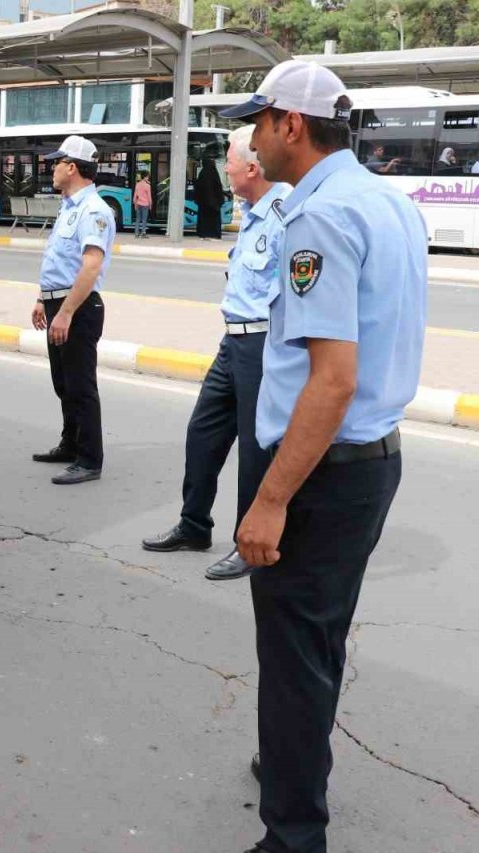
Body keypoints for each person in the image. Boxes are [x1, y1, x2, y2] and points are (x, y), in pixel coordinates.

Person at [219, 60, 427, 853]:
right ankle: (291, 761)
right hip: (372, 463)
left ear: (290, 126)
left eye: (260, 121)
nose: (253, 137)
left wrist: (269, 498)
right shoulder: (386, 201)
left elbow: (331, 379)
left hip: (321, 469)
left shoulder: (318, 217)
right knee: (318, 639)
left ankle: (293, 833)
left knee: (295, 649)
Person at [141, 124, 291, 581]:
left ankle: (250, 544)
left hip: (262, 345)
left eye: (228, 157)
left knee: (254, 448)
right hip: (233, 341)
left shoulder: (286, 215)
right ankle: (193, 525)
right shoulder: (251, 212)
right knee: (202, 432)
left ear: (251, 165)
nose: (223, 166)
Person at [29, 135, 113, 485]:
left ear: (73, 167)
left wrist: (64, 312)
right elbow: (59, 261)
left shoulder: (95, 210)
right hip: (58, 301)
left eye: (58, 162)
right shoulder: (69, 206)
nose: (53, 168)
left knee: (80, 385)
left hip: (77, 307)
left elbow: (90, 266)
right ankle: (70, 443)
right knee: (63, 383)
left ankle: (90, 459)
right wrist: (42, 299)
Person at [194, 158, 226, 239]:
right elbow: (218, 188)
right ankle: (214, 234)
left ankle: (203, 233)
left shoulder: (202, 174)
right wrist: (220, 201)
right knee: (214, 221)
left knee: (203, 220)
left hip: (203, 205)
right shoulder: (214, 173)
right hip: (214, 205)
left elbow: (198, 188)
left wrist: (198, 200)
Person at [133, 171, 152, 238]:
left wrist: (135, 203)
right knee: (144, 220)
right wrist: (150, 204)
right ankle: (143, 233)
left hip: (138, 204)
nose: (148, 178)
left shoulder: (137, 184)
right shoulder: (148, 186)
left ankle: (136, 233)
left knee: (138, 219)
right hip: (145, 204)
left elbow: (135, 195)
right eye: (147, 177)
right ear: (145, 177)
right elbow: (149, 196)